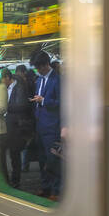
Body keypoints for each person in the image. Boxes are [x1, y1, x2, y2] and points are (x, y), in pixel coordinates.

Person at [29, 49, 62, 200]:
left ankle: (56, 191)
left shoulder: (58, 80)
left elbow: (62, 103)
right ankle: (45, 187)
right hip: (40, 125)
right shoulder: (39, 80)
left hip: (52, 127)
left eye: (39, 67)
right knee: (42, 159)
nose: (37, 70)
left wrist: (44, 101)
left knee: (53, 160)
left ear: (46, 65)